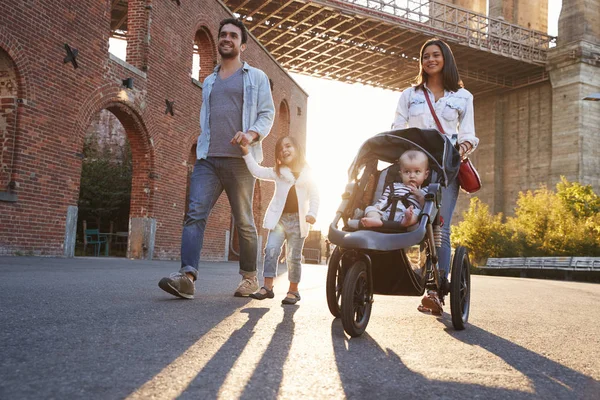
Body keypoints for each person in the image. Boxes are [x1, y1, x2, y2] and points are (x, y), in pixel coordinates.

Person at [158, 18, 275, 299]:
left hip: (241, 160)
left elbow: (267, 114)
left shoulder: (256, 77)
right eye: (223, 34)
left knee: (245, 221)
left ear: (242, 45)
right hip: (208, 159)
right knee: (195, 213)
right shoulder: (209, 81)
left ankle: (249, 278)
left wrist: (251, 135)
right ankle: (187, 277)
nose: (227, 39)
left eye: (233, 36)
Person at [392, 38, 479, 315]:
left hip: (446, 168)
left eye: (436, 55)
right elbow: (397, 128)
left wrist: (462, 148)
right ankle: (409, 272)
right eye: (426, 56)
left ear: (445, 59)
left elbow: (468, 135)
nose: (430, 59)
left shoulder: (463, 97)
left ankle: (435, 290)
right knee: (410, 220)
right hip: (415, 168)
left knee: (439, 226)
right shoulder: (410, 95)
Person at [238, 136, 319, 305]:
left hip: (299, 222)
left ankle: (293, 291)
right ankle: (267, 287)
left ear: (297, 148)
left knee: (293, 257)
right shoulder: (278, 172)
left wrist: (312, 213)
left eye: (288, 146)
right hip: (279, 220)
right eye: (281, 149)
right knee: (271, 250)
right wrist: (246, 152)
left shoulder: (308, 173)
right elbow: (257, 171)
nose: (284, 150)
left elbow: (314, 196)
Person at [359, 149, 429, 229]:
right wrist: (377, 208)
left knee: (418, 213)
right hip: (386, 215)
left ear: (426, 175)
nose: (412, 175)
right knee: (370, 208)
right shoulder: (393, 186)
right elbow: (383, 200)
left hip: (406, 215)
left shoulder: (425, 191)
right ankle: (376, 219)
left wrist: (420, 196)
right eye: (407, 172)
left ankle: (406, 220)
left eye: (417, 171)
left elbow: (426, 208)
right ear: (401, 174)